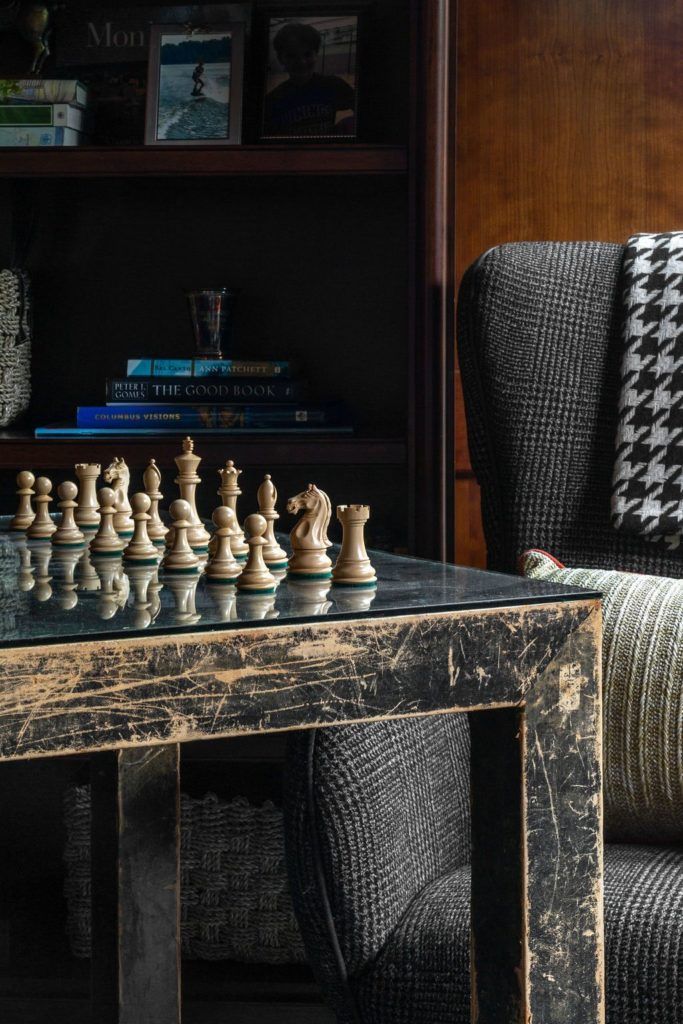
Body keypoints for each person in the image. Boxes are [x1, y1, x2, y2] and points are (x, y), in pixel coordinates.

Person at [264, 21, 356, 137]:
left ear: (316, 54)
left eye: (307, 54)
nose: (302, 62)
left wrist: (347, 125)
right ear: (281, 59)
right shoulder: (273, 100)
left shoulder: (333, 85)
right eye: (292, 56)